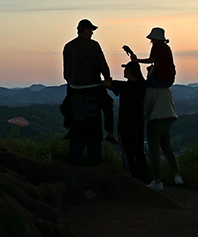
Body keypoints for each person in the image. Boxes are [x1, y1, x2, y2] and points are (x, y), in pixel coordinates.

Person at [61, 19, 117, 165]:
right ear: (84, 29)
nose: (92, 32)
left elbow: (66, 71)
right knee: (108, 104)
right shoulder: (94, 45)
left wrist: (72, 82)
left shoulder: (68, 46)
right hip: (93, 86)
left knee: (67, 106)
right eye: (90, 29)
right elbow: (102, 63)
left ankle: (68, 129)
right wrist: (108, 79)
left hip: (74, 88)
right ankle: (110, 133)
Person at [109, 60, 148, 183]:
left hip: (125, 125)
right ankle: (143, 179)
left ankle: (131, 180)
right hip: (138, 124)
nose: (124, 71)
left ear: (130, 71)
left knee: (127, 153)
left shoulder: (124, 86)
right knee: (139, 152)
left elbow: (105, 83)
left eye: (126, 69)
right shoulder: (142, 85)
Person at [143, 79, 184, 190]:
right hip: (168, 119)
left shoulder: (150, 89)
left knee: (154, 152)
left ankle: (158, 181)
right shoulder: (167, 88)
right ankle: (177, 176)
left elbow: (146, 107)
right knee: (167, 148)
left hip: (155, 121)